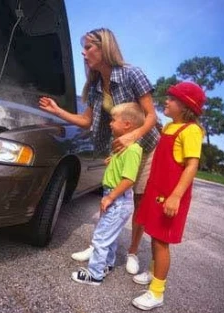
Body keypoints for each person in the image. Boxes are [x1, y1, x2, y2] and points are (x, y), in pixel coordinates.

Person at [39, 28, 160, 274]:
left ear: (104, 47)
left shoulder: (131, 74)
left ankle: (133, 252)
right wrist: (57, 111)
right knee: (110, 199)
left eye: (88, 47)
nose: (83, 53)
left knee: (137, 200)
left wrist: (131, 136)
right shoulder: (95, 85)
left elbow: (151, 116)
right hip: (119, 149)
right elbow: (87, 121)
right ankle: (99, 247)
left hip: (145, 146)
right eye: (83, 48)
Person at [131, 82, 206, 310]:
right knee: (153, 234)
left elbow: (192, 166)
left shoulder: (191, 130)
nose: (166, 100)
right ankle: (154, 273)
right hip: (157, 191)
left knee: (161, 241)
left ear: (185, 106)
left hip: (171, 195)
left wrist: (175, 196)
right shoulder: (169, 127)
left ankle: (157, 292)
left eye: (172, 99)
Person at [70, 103, 144, 285]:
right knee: (109, 236)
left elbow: (128, 179)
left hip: (117, 199)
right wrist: (113, 160)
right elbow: (122, 169)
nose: (110, 123)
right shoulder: (123, 147)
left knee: (101, 237)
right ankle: (107, 264)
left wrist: (110, 197)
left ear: (127, 124)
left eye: (113, 120)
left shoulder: (133, 149)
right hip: (114, 197)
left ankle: (94, 274)